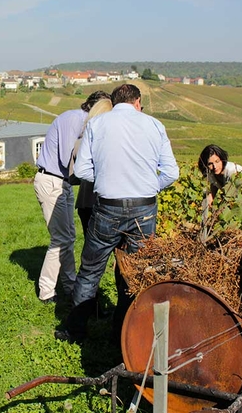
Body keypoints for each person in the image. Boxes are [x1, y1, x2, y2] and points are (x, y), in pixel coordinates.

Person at [56, 84, 179, 343]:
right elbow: (171, 173)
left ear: (114, 101)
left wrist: (106, 180)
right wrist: (147, 185)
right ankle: (125, 331)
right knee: (134, 270)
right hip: (144, 207)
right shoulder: (154, 125)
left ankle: (76, 330)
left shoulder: (98, 125)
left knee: (91, 269)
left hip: (108, 206)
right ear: (138, 101)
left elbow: (81, 171)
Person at [34, 91, 110, 303]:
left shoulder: (81, 121)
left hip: (62, 183)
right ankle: (46, 291)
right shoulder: (73, 119)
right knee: (60, 239)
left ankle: (68, 284)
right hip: (51, 180)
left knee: (68, 237)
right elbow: (68, 156)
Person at [73, 98, 113, 237]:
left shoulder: (85, 138)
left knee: (92, 251)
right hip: (103, 201)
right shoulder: (108, 139)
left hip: (85, 200)